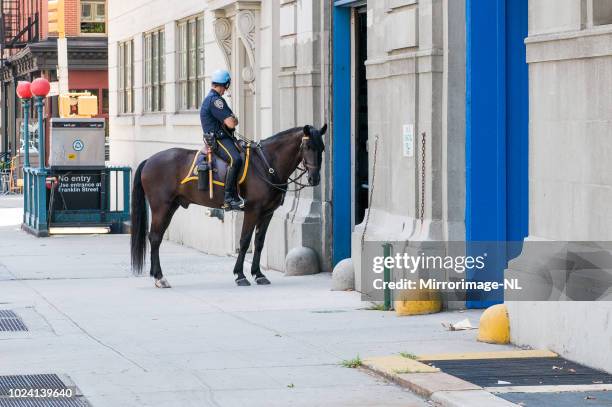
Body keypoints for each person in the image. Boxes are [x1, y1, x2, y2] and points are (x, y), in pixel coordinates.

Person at [200, 69, 245, 210]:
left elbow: (229, 121)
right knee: (236, 159)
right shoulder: (216, 101)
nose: (226, 90)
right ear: (224, 84)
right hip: (218, 140)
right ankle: (229, 198)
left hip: (223, 137)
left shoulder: (214, 99)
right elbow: (232, 122)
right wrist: (233, 119)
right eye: (226, 86)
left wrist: (231, 119)